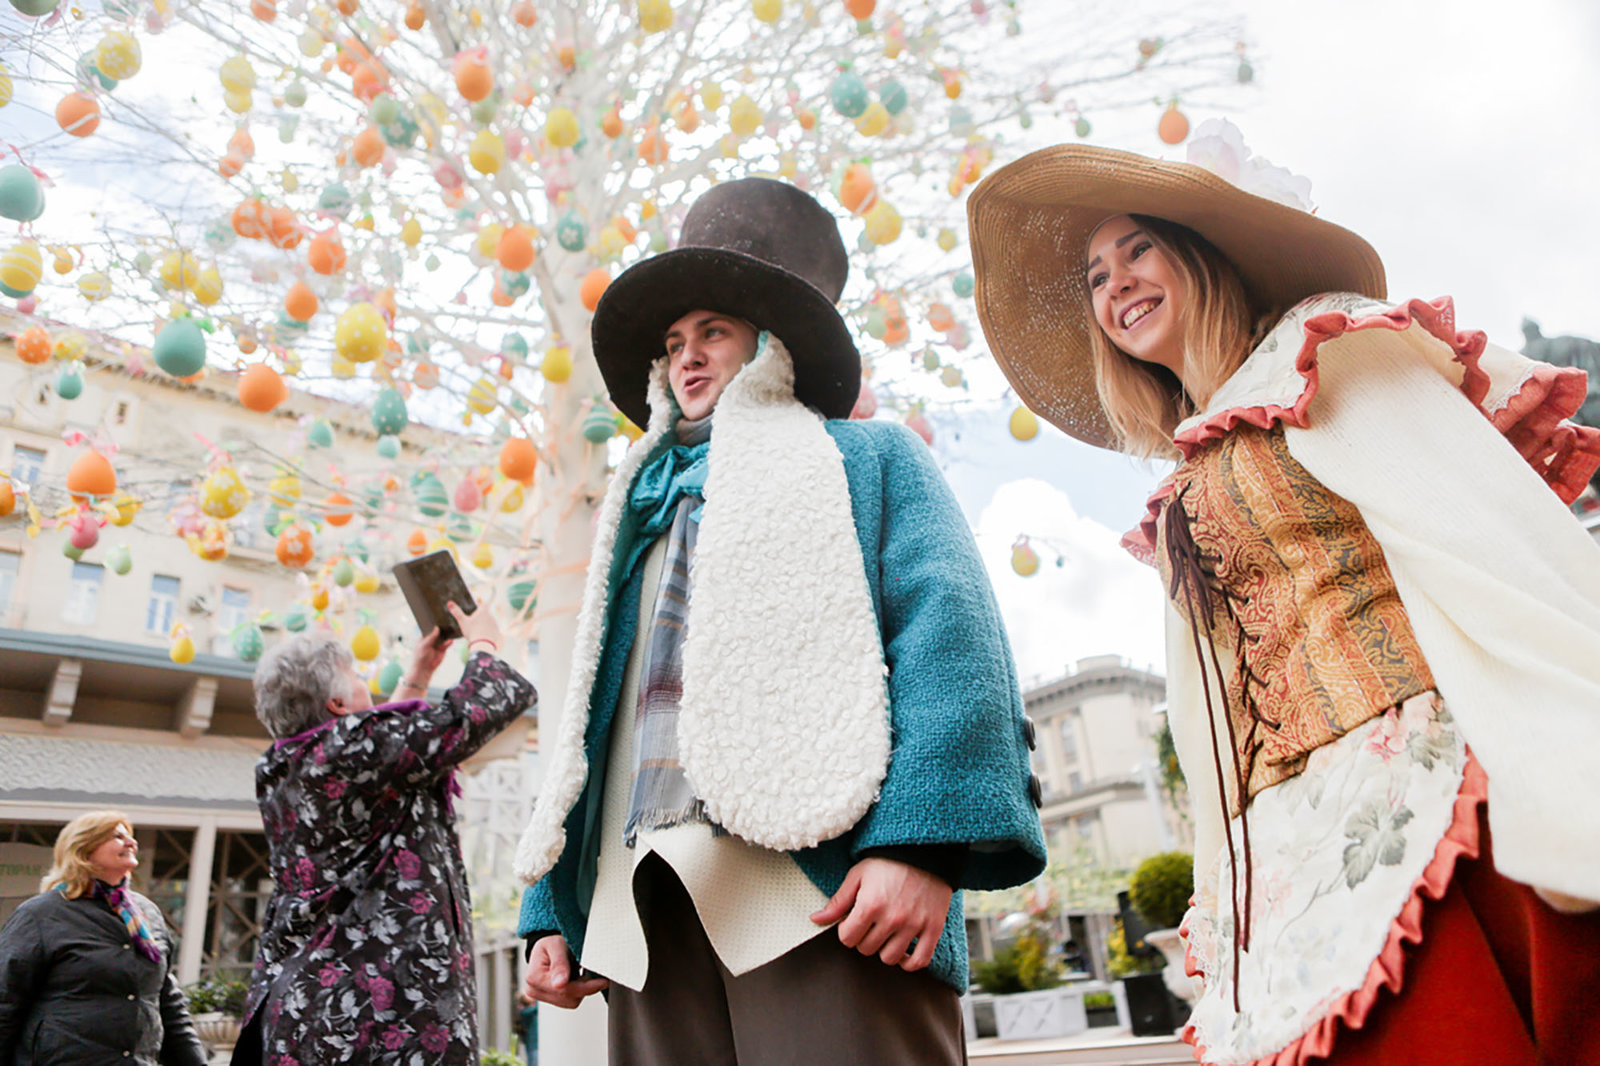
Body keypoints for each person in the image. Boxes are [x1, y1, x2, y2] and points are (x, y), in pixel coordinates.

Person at [968, 124, 1600, 1065]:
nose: (1115, 285)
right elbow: (1208, 706)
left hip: (1434, 792)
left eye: (1136, 248)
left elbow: (1486, 537)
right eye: (1095, 276)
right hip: (1293, 839)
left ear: (1200, 254)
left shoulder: (1329, 352)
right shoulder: (1184, 477)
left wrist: (1570, 745)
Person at [513, 177, 1047, 1064]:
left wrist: (924, 846)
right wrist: (554, 907)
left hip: (824, 896)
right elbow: (588, 722)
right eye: (674, 341)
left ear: (770, 345)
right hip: (642, 916)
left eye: (713, 332)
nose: (686, 357)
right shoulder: (635, 514)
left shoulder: (867, 459)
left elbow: (953, 644)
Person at [233, 603, 536, 1066]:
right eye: (355, 677)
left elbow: (391, 757)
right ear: (336, 706)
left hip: (308, 1008)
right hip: (379, 1016)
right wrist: (484, 643)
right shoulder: (353, 750)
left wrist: (419, 672)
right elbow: (473, 712)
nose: (365, 686)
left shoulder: (290, 763)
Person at [0, 810, 207, 1066]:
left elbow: (167, 1004)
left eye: (130, 837)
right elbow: (5, 1001)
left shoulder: (147, 914)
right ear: (83, 848)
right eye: (117, 836)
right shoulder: (41, 915)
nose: (132, 843)